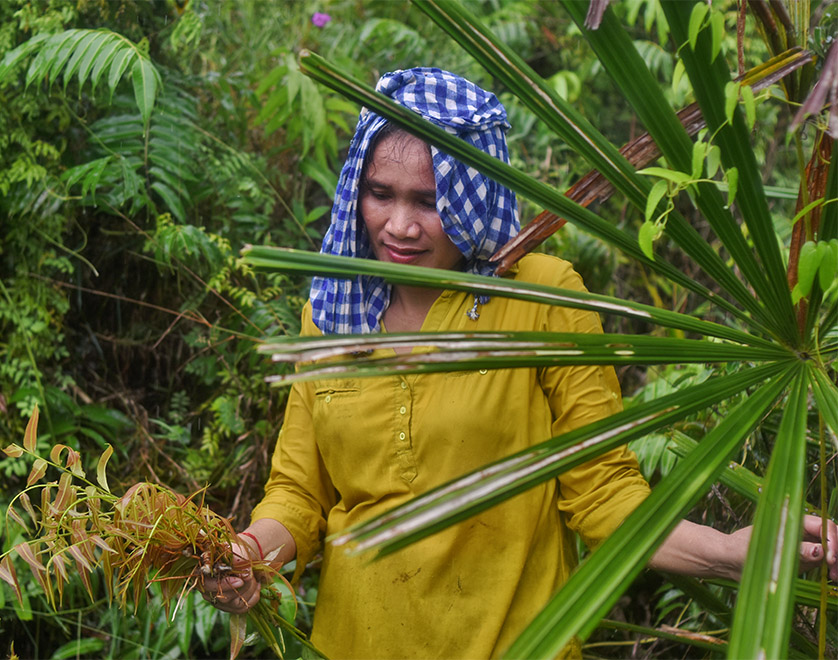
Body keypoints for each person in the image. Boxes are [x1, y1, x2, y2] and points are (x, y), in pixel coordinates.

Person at [199, 68, 838, 658]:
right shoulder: (330, 313)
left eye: (429, 201)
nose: (399, 225)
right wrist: (249, 555)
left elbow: (603, 496)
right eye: (380, 193)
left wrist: (730, 554)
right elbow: (298, 494)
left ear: (473, 193)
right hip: (354, 642)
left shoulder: (541, 297)